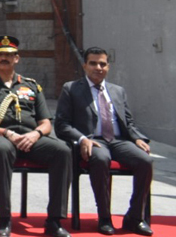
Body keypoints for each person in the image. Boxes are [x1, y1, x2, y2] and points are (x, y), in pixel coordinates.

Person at [0, 35, 71, 237]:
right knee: (2, 149)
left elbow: (46, 122)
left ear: (17, 58)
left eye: (9, 55)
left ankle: (54, 220)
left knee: (62, 151)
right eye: (0, 55)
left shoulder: (32, 86)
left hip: (30, 137)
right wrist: (5, 132)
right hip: (1, 136)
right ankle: (5, 219)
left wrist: (35, 134)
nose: (4, 58)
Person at [55, 47, 153, 236]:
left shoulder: (118, 91)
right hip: (93, 141)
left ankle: (134, 217)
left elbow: (129, 122)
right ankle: (105, 217)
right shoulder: (71, 88)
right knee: (100, 159)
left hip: (118, 140)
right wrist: (82, 139)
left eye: (102, 64)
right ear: (85, 65)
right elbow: (62, 124)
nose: (98, 67)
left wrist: (138, 138)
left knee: (145, 161)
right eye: (93, 63)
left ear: (108, 66)